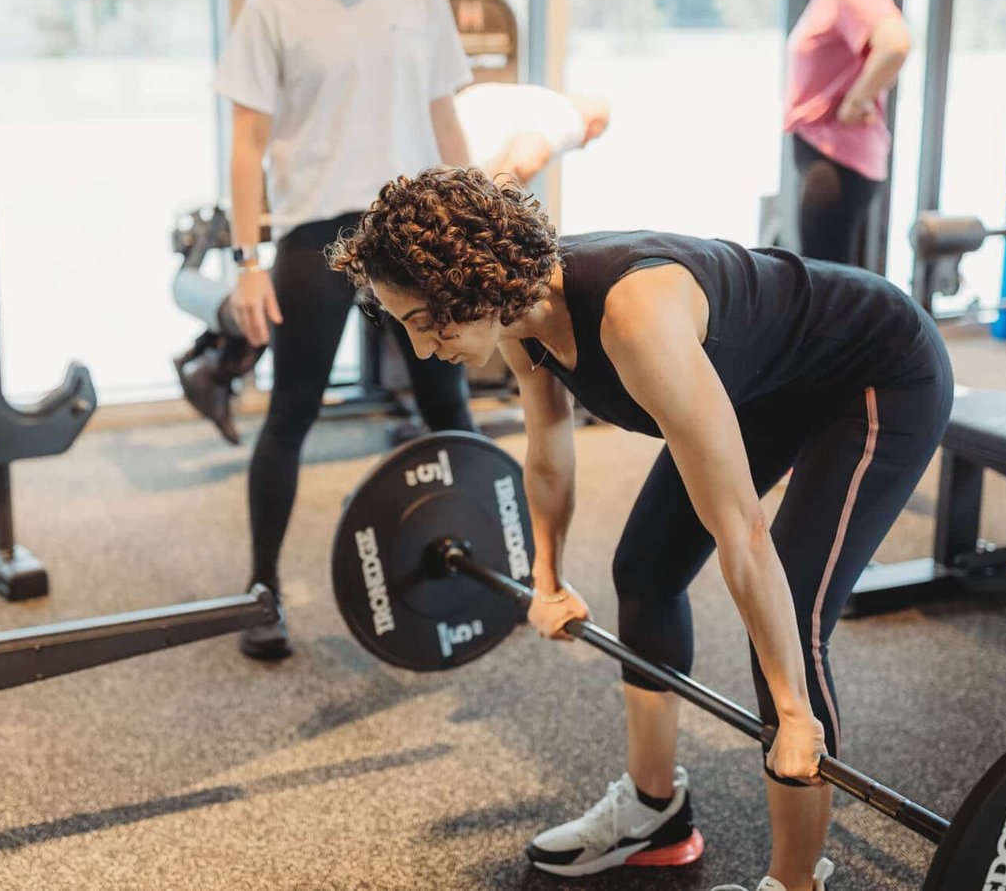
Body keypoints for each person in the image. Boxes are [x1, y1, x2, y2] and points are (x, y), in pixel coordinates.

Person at [327, 167, 953, 891]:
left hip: (876, 371)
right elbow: (549, 454)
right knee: (645, 571)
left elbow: (742, 533)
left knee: (793, 620)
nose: (423, 350)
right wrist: (549, 579)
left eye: (418, 323)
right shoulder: (520, 318)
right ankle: (656, 811)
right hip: (770, 382)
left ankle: (795, 881)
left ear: (469, 285)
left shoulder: (634, 317)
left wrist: (791, 715)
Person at [213, 0, 478, 661]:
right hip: (318, 230)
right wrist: (249, 261)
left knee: (449, 406)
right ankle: (262, 592)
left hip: (412, 223)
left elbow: (444, 120)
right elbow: (246, 146)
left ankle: (479, 564)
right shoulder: (277, 6)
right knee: (292, 412)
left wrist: (481, 227)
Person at [168, 85, 611, 444]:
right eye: (595, 137)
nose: (588, 143)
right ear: (592, 123)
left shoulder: (521, 95)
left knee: (367, 362)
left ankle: (217, 364)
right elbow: (518, 165)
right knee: (430, 390)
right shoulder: (567, 119)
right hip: (420, 218)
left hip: (401, 199)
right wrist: (485, 241)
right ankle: (218, 364)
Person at [782, 0, 911, 266]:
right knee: (826, 281)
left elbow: (895, 43)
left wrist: (857, 97)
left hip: (837, 160)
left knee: (825, 284)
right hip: (825, 156)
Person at [453, 83, 610, 187]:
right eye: (595, 137)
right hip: (453, 166)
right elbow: (524, 163)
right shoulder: (572, 123)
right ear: (595, 123)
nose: (584, 147)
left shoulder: (549, 101)